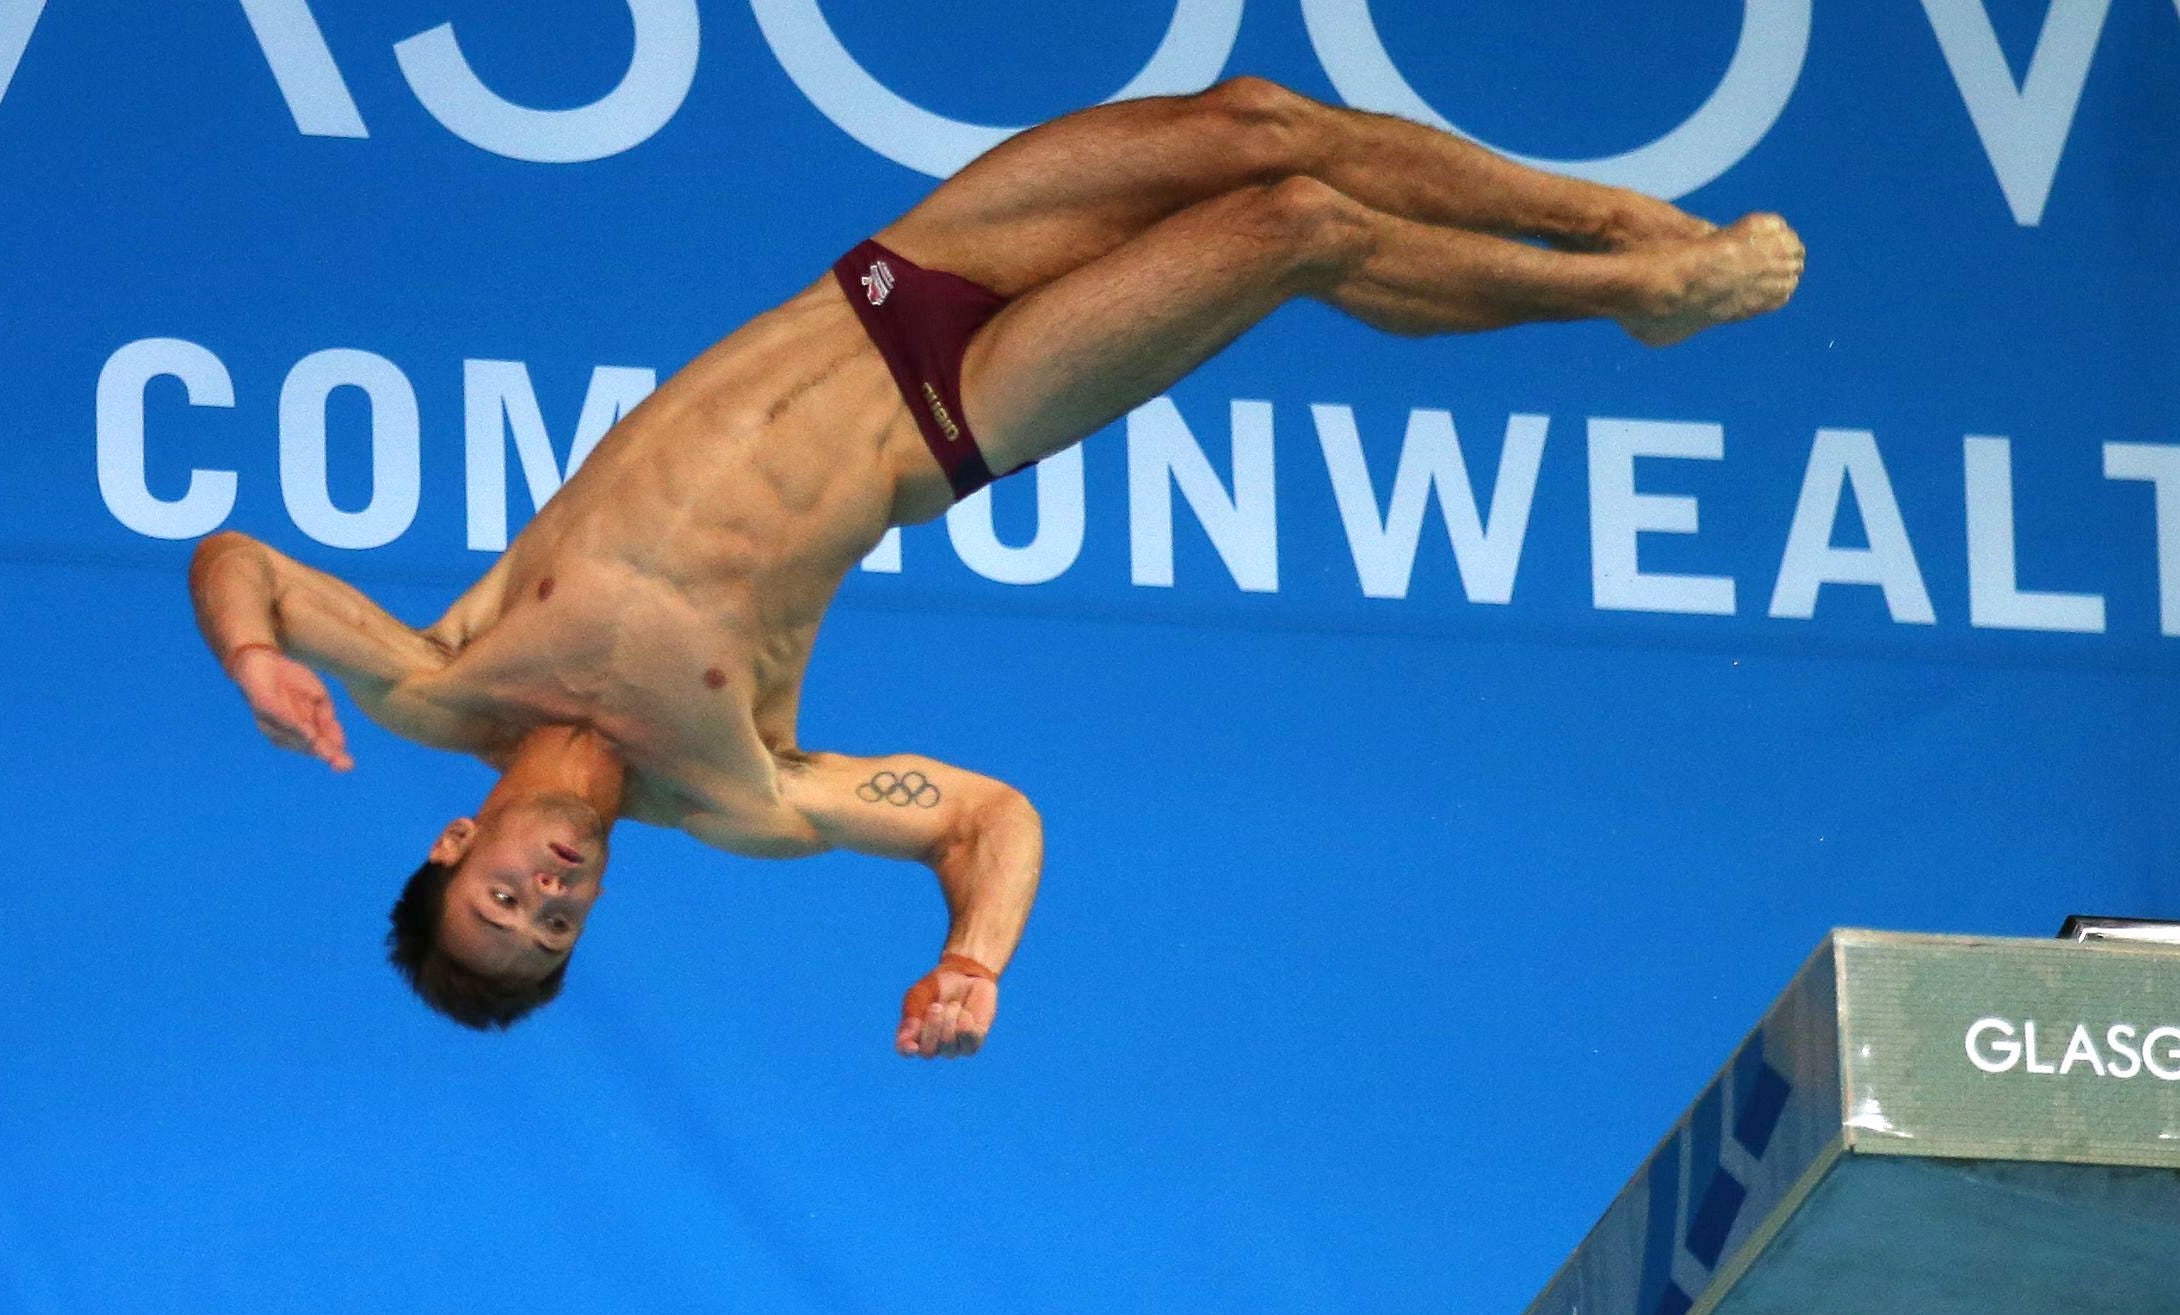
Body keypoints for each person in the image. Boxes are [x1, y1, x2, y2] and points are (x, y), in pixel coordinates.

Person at [188, 77, 1802, 1058]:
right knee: (1296, 224)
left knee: (1256, 123)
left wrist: (251, 656)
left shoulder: (438, 678)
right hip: (956, 414)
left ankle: (1633, 237)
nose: (544, 897)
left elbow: (240, 557)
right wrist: (972, 957)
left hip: (887, 286)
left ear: (460, 837)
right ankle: (1634, 298)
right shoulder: (742, 796)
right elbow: (987, 816)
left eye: (499, 899)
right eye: (552, 930)